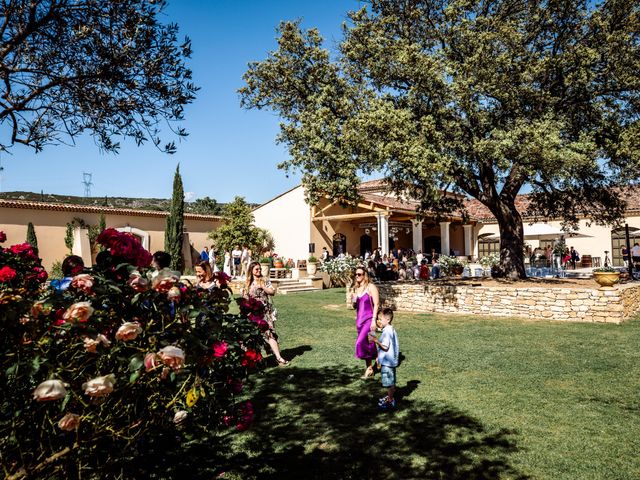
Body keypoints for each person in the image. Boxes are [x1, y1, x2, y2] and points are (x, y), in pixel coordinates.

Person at [243, 261, 289, 366]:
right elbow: (245, 297)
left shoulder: (265, 280)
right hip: (252, 313)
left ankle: (279, 357)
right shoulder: (247, 283)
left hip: (265, 312)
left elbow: (272, 292)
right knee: (252, 336)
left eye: (260, 269)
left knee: (270, 334)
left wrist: (262, 286)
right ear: (251, 270)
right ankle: (252, 360)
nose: (259, 271)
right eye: (256, 269)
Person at [351, 266, 379, 378]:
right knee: (370, 343)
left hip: (369, 320)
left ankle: (376, 360)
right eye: (356, 274)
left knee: (360, 342)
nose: (357, 276)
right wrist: (353, 299)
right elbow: (355, 306)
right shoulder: (356, 289)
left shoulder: (371, 287)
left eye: (360, 274)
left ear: (365, 275)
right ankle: (370, 367)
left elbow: (376, 304)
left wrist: (374, 320)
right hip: (359, 321)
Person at [369, 307, 399, 410]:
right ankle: (390, 397)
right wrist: (375, 329)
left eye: (380, 319)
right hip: (391, 361)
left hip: (387, 363)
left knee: (389, 383)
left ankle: (390, 401)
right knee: (392, 381)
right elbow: (383, 331)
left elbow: (385, 347)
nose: (379, 321)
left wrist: (375, 340)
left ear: (388, 320)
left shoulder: (387, 332)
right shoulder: (390, 328)